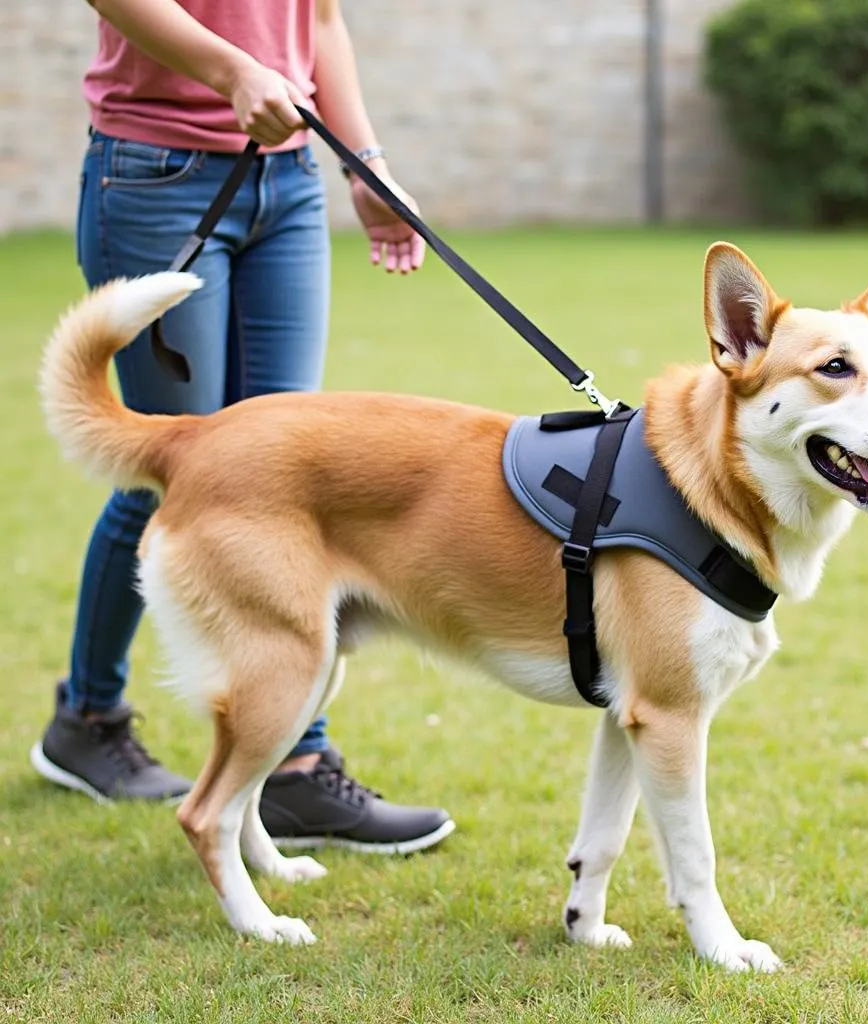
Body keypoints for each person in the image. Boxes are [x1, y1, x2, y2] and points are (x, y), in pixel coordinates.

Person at [30, 0, 455, 855]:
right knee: (180, 462)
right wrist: (229, 70)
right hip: (157, 168)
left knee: (294, 482)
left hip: (290, 177)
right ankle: (88, 717)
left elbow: (320, 18)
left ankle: (292, 767)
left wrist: (363, 160)